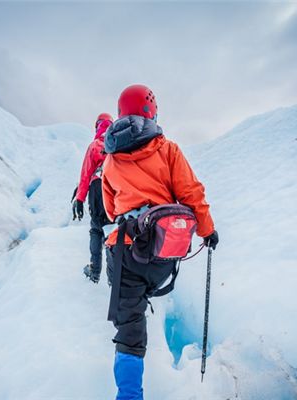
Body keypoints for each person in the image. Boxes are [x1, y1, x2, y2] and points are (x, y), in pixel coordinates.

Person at [102, 84, 218, 399]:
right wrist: (207, 230)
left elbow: (112, 210)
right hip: (162, 254)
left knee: (129, 332)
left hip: (124, 252)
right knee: (146, 289)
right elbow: (192, 193)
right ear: (151, 110)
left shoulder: (110, 159)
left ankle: (129, 394)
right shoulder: (168, 149)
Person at [72, 113, 114, 283]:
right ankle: (114, 276)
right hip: (114, 188)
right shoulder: (118, 144)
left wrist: (80, 199)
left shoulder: (95, 145)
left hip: (97, 188)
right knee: (114, 231)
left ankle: (94, 271)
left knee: (96, 228)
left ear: (98, 126)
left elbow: (85, 174)